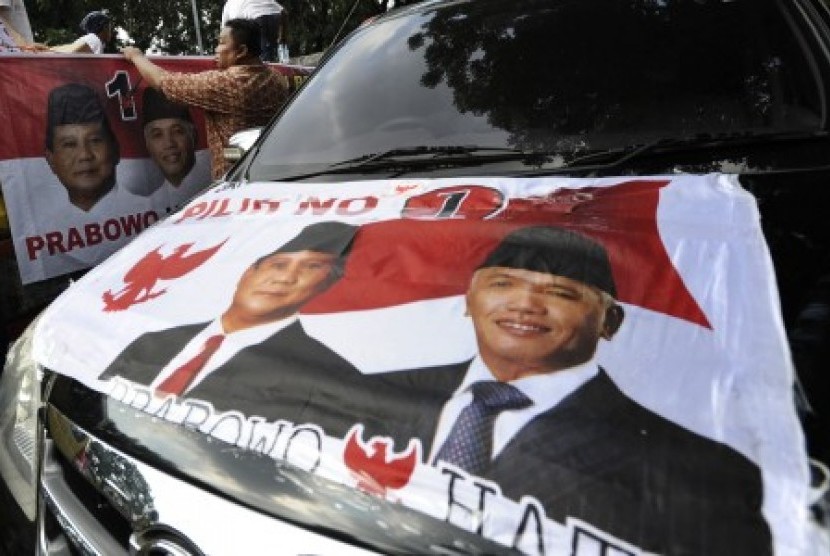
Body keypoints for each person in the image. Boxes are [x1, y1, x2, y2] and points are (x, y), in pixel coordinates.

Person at [370, 225, 772, 555]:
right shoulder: (370, 393)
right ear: (468, 301)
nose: (524, 304)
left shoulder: (700, 471)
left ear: (610, 321)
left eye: (561, 293)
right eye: (503, 283)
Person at [99, 222, 366, 428]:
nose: (285, 278)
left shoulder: (321, 374)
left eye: (311, 267)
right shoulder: (153, 339)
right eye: (278, 264)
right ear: (249, 272)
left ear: (330, 284)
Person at [121, 18, 288, 179]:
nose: (216, 49)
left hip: (237, 181)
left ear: (242, 51)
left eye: (222, 42)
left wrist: (136, 57)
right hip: (274, 173)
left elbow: (164, 82)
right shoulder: (277, 78)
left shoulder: (225, 84)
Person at [44, 83, 120, 212]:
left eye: (94, 141)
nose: (85, 155)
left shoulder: (154, 216)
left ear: (115, 150)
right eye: (69, 144)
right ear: (51, 160)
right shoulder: (43, 223)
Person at [138, 87, 211, 212]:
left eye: (177, 131)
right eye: (157, 135)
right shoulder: (143, 203)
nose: (169, 143)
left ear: (193, 135)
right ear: (147, 143)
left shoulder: (215, 182)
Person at [221, 0, 287, 62]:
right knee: (268, 50)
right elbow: (284, 12)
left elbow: (225, 31)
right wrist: (282, 37)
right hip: (274, 17)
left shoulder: (228, 5)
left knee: (260, 55)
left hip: (258, 19)